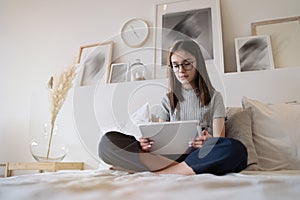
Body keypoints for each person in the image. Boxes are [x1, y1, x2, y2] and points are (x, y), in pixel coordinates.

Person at [98, 39, 248, 175]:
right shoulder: (167, 100)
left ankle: (160, 173)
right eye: (175, 65)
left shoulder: (215, 97)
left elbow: (219, 139)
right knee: (107, 142)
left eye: (187, 63)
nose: (181, 70)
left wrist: (208, 141)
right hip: (167, 157)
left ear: (198, 64)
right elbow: (159, 139)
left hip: (201, 155)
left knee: (236, 149)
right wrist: (146, 143)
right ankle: (178, 169)